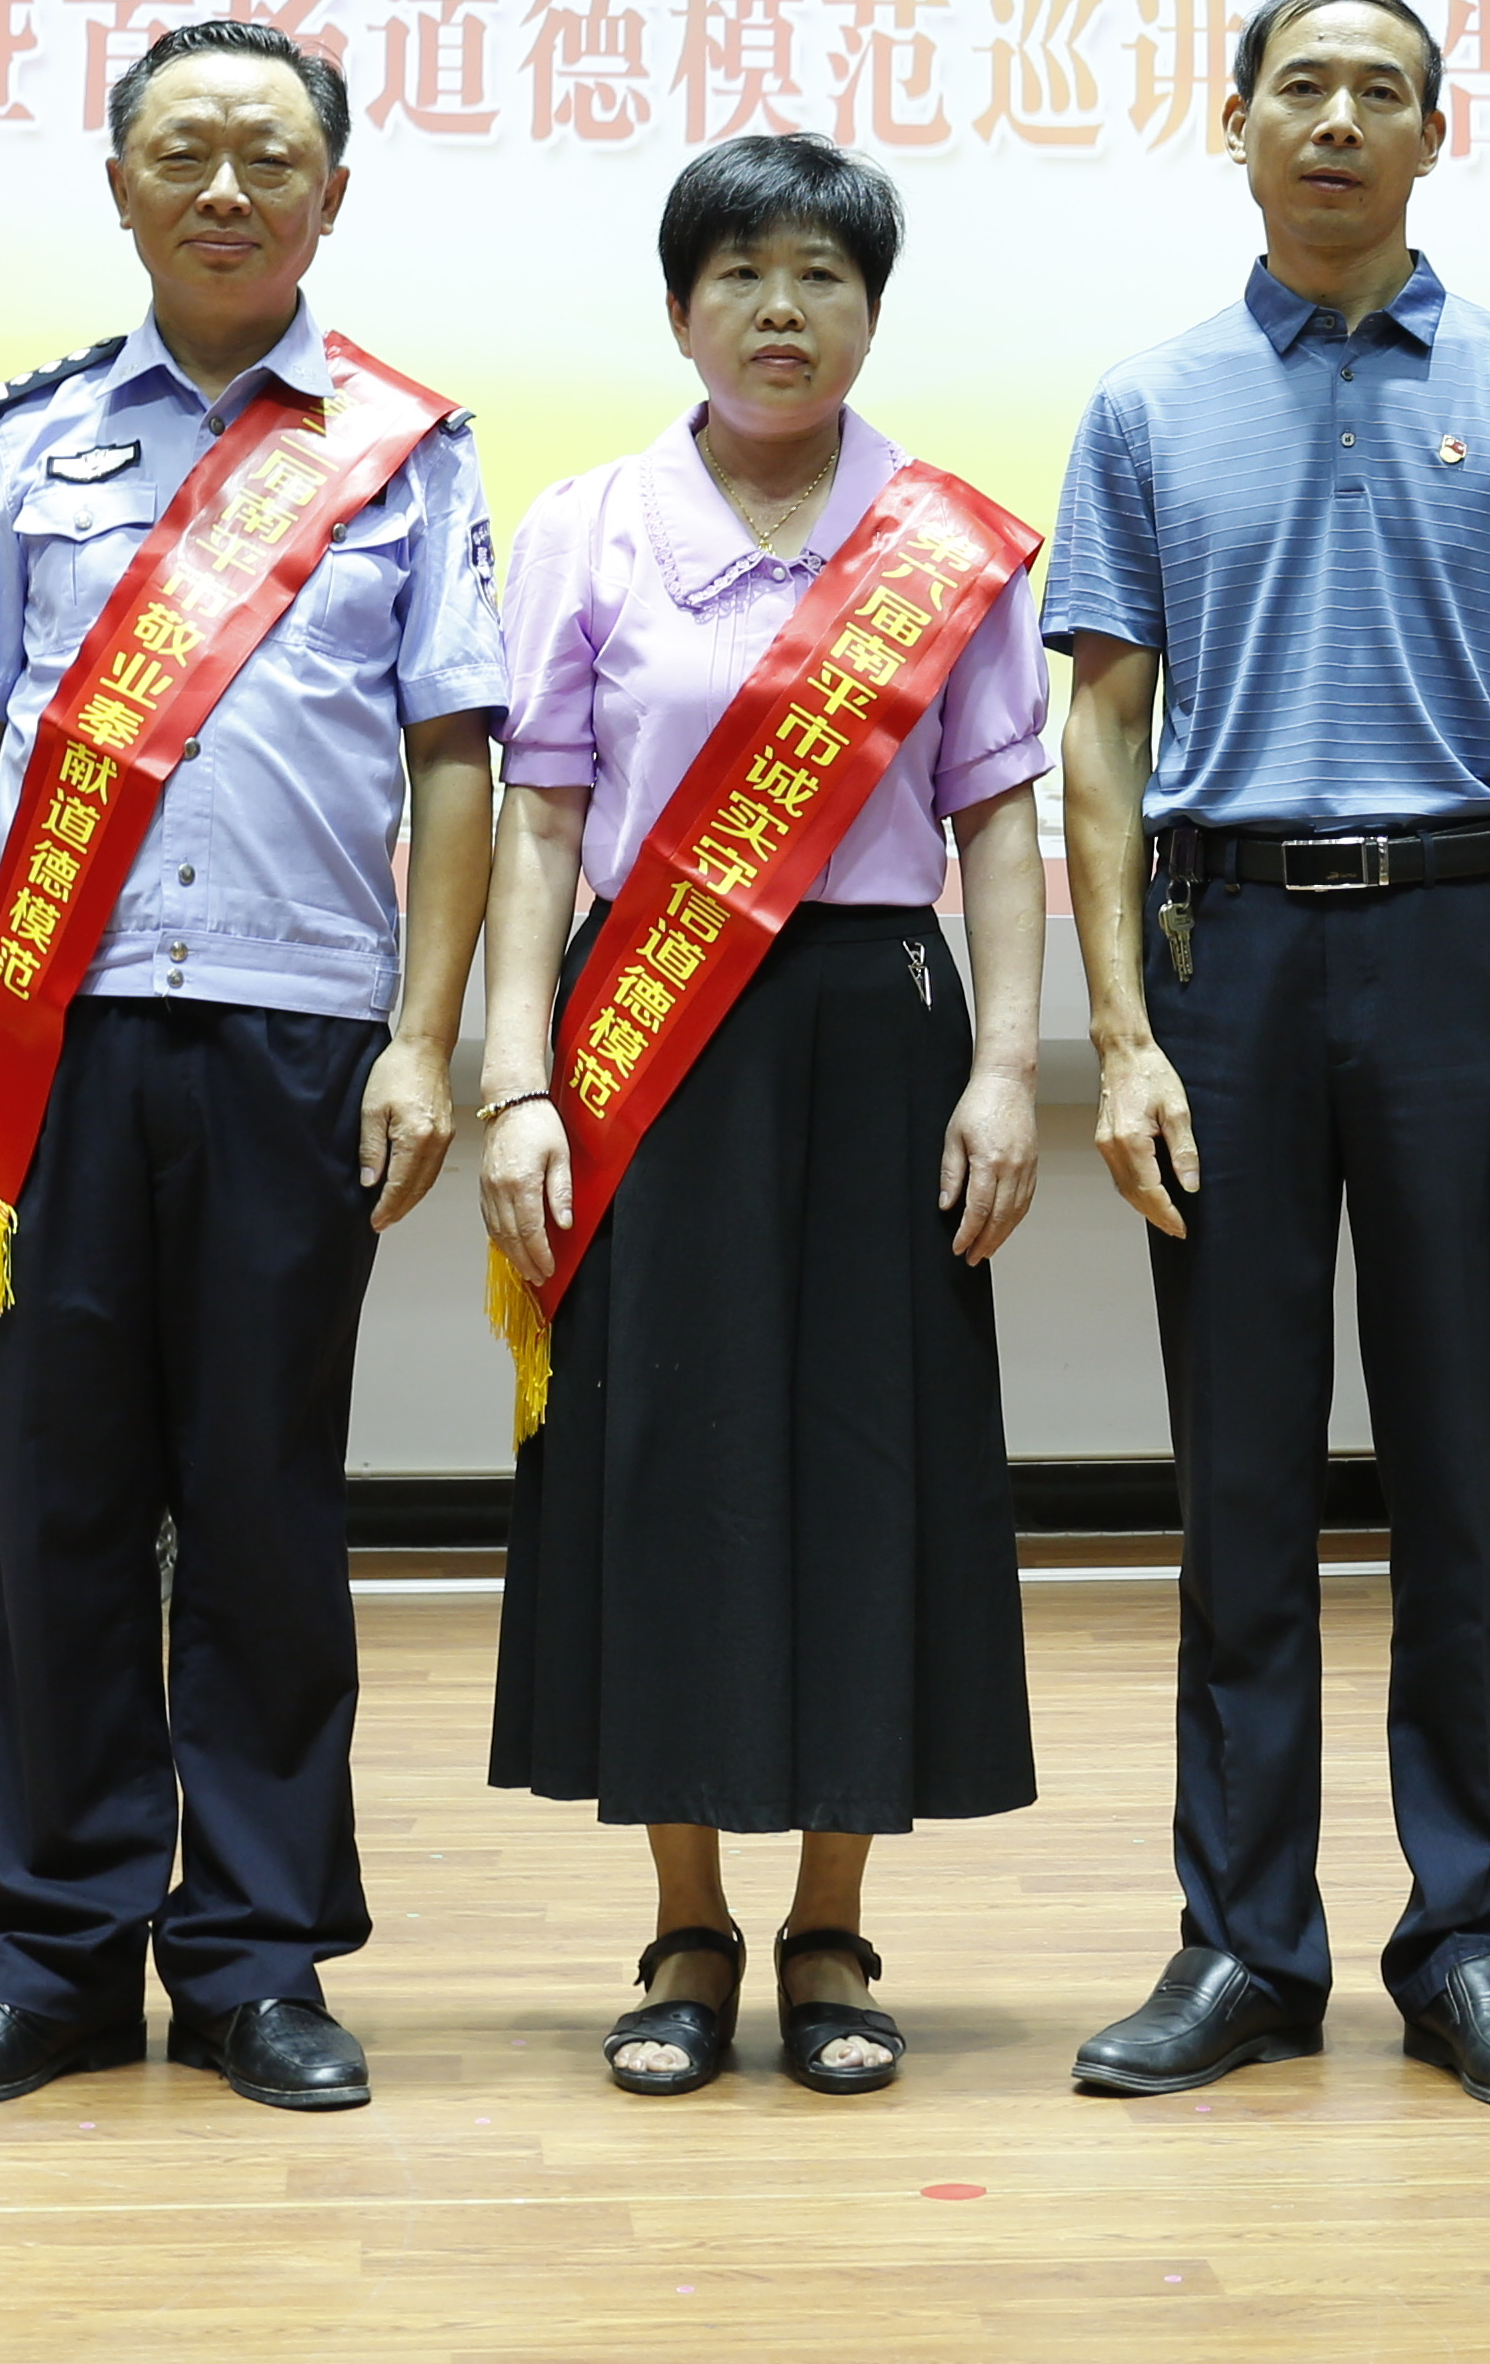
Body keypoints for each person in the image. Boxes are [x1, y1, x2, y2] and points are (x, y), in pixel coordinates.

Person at [0, 13, 503, 2119]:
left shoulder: (402, 451)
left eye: (270, 154)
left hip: (300, 1035)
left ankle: (255, 1959)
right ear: (119, 180)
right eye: (186, 150)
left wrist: (425, 1041)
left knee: (262, 1508)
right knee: (59, 1507)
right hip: (56, 1038)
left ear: (334, 192)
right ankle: (49, 1956)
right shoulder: (26, 440)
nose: (228, 187)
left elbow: (458, 761)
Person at [1041, 0, 1490, 2116]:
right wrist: (1120, 1036)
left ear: (1433, 133)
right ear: (1231, 123)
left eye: (1378, 91)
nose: (1335, 120)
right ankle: (1244, 1941)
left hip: (1464, 947)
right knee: (1237, 1480)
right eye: (1299, 86)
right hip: (1224, 956)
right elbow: (1101, 735)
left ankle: (1468, 1938)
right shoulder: (1148, 401)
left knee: (1462, 1480)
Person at [473, 134, 1056, 2097]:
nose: (780, 309)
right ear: (679, 309)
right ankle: (684, 1925)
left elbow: (998, 823)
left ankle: (828, 1926)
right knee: (666, 1467)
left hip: (878, 1033)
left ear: (871, 313)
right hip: (646, 1041)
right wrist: (516, 1078)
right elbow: (540, 821)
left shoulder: (945, 543)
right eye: (739, 274)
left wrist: (1006, 1069)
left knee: (867, 1465)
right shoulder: (589, 525)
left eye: (821, 275)